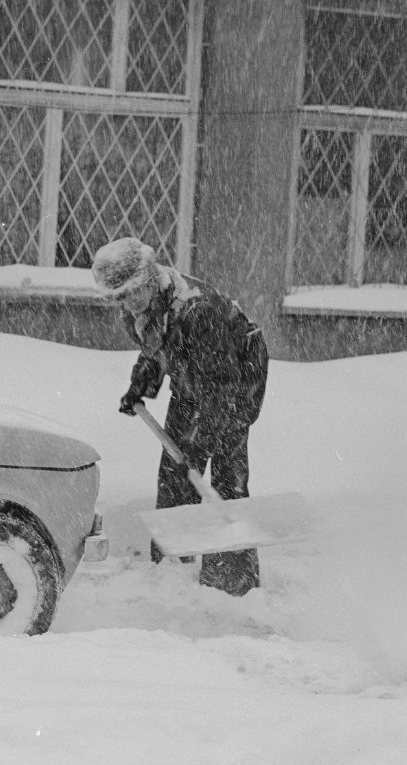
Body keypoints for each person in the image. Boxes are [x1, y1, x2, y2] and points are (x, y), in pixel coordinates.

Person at [91, 237, 268, 596]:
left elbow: (220, 384)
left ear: (149, 276)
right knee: (175, 473)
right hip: (194, 375)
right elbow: (158, 349)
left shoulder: (196, 311)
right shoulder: (142, 307)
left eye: (130, 292)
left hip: (236, 377)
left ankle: (231, 582)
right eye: (118, 297)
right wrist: (140, 385)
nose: (126, 303)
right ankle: (170, 567)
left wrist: (203, 436)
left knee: (225, 473)